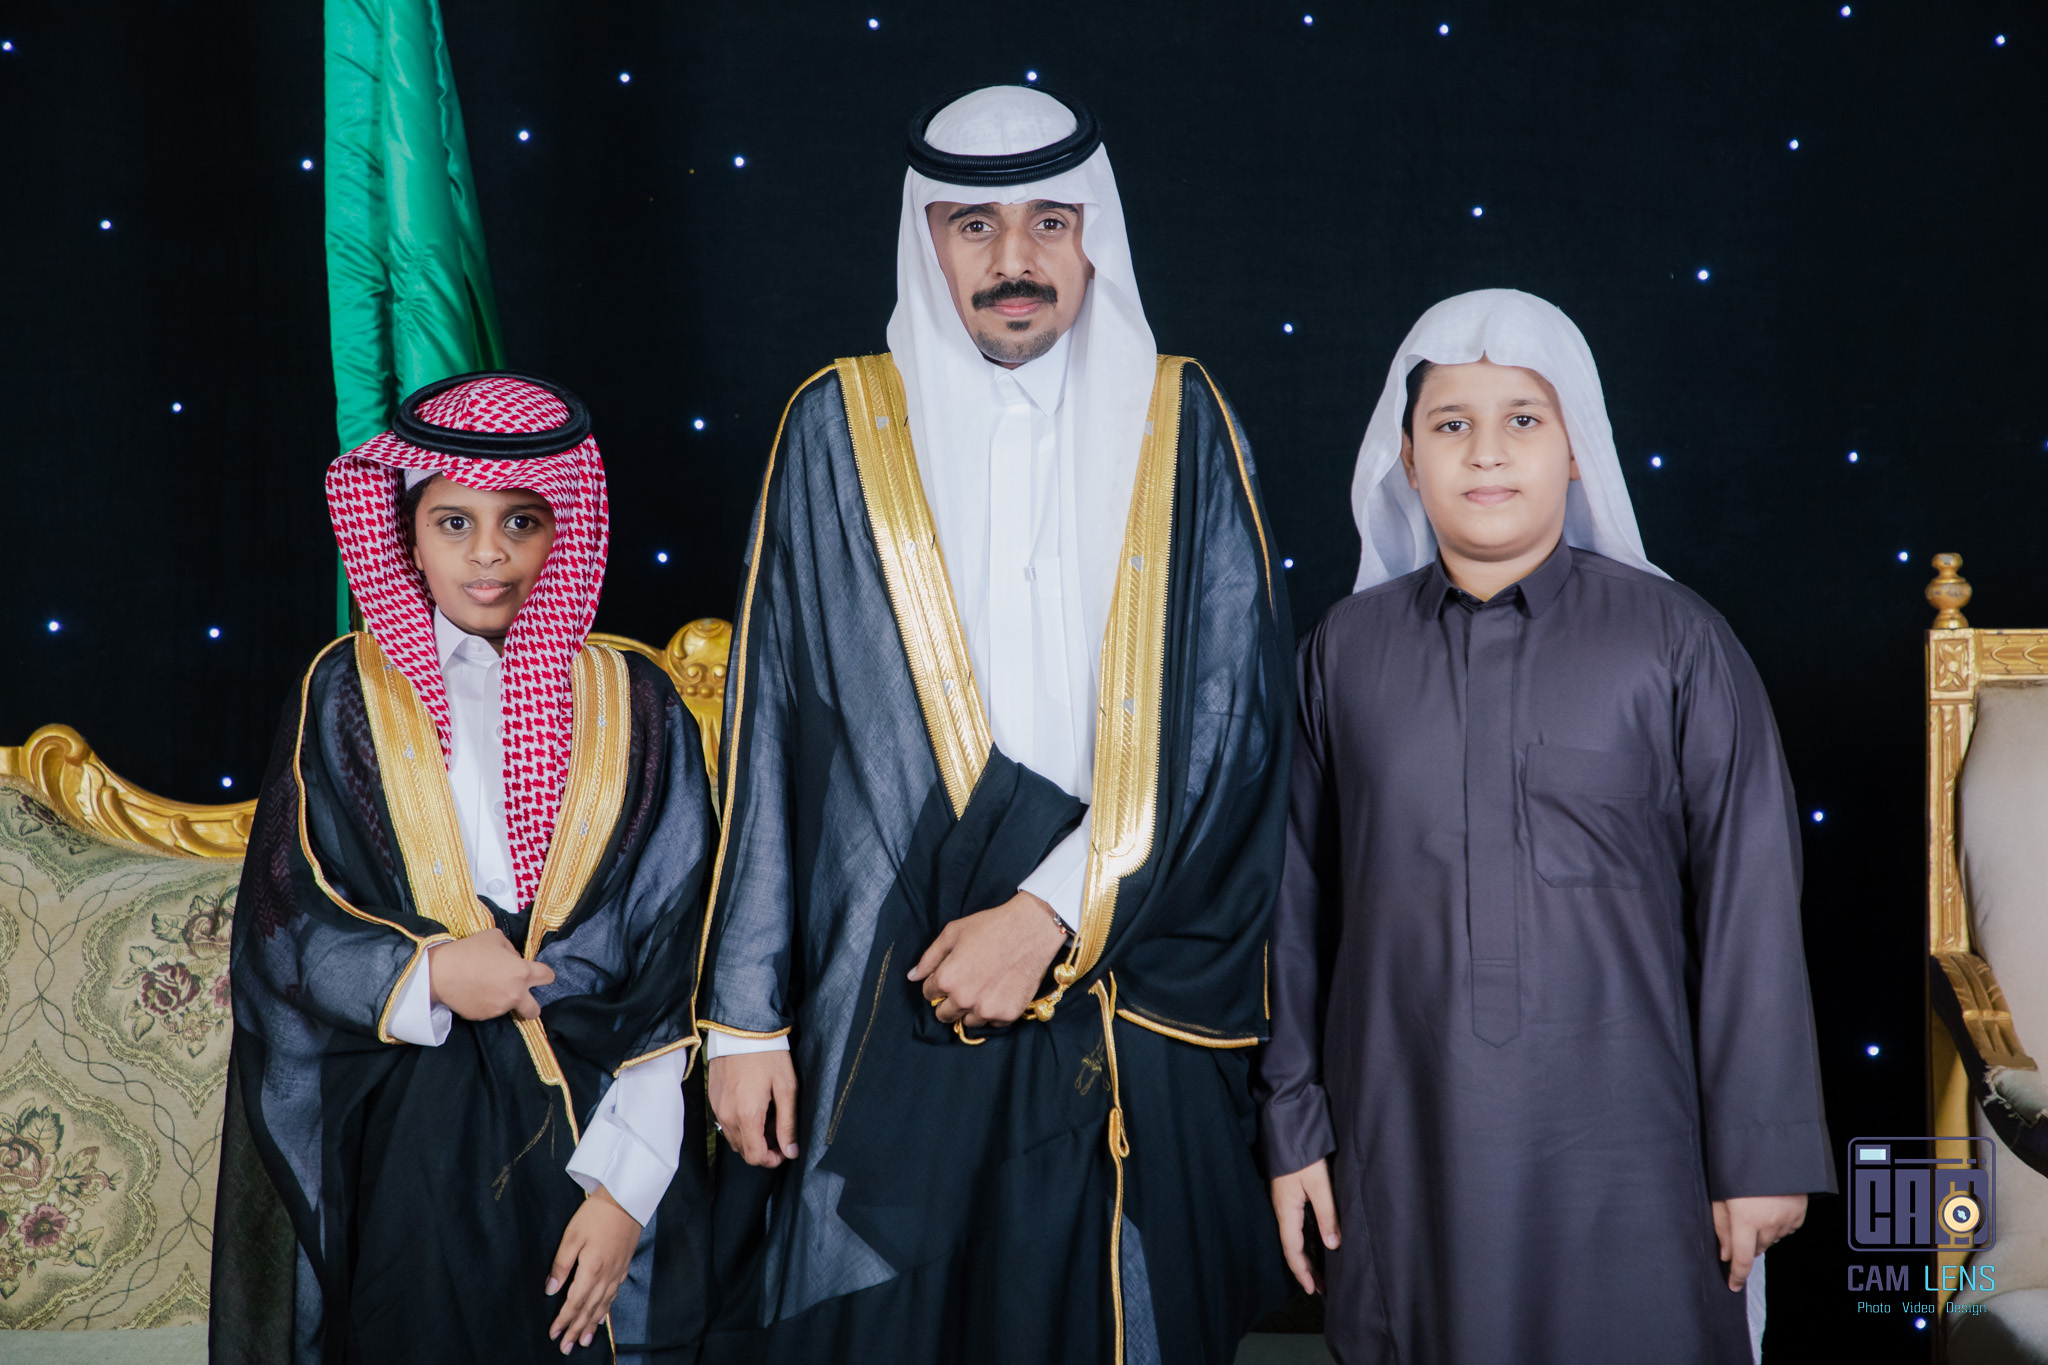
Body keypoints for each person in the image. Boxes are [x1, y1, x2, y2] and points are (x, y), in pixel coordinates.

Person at [695, 85, 1293, 1363]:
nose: (1013, 260)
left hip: (1120, 981)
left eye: (1047, 224)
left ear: (1092, 238)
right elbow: (768, 736)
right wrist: (743, 1020)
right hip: (886, 988)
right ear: (927, 239)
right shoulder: (835, 425)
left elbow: (1233, 724)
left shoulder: (1181, 419)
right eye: (974, 226)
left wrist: (1050, 912)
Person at [1254, 290, 1836, 1364]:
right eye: (1450, 423)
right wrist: (1292, 1129)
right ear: (1405, 458)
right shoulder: (1340, 654)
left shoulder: (1677, 642)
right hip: (1402, 1141)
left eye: (1522, 418)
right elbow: (1288, 911)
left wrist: (1758, 1153)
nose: (1486, 451)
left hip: (1638, 1150)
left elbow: (1750, 901)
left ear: (1576, 451)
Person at [210, 373, 716, 1364]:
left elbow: (677, 954)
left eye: (521, 521)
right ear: (406, 535)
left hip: (611, 1111)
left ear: (563, 529)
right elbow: (284, 925)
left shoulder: (639, 702)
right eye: (454, 523)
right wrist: (434, 974)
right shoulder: (347, 694)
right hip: (412, 1122)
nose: (489, 553)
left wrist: (625, 1192)